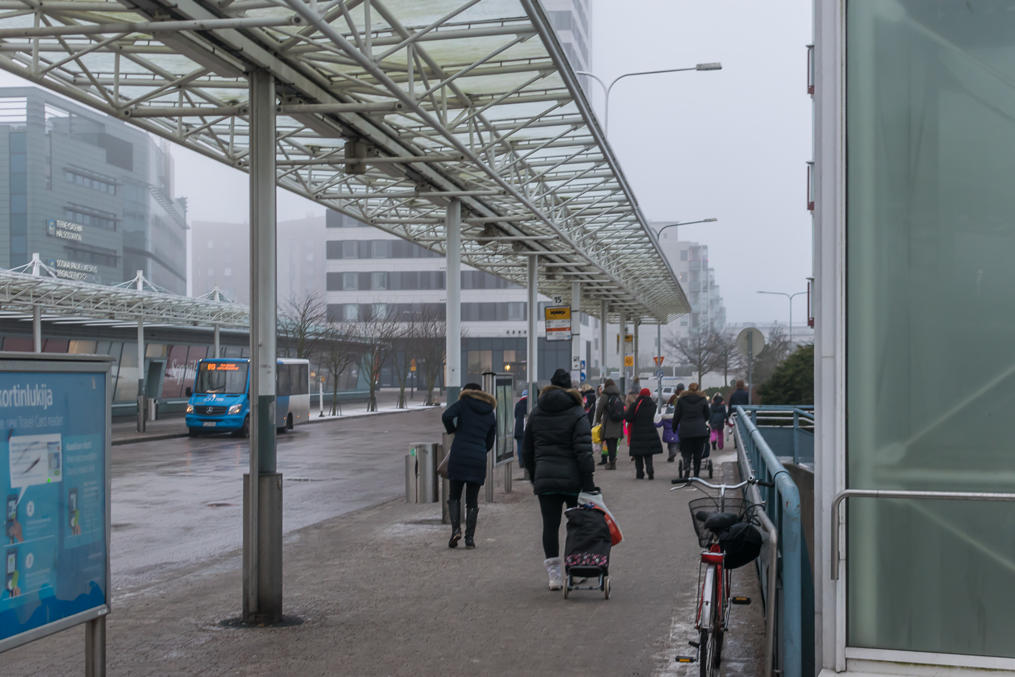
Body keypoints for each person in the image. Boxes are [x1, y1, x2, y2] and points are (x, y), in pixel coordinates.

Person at [522, 368, 595, 591]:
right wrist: (588, 481)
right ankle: (574, 571)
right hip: (573, 481)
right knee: (576, 525)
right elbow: (584, 450)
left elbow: (527, 450)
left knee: (550, 526)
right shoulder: (577, 412)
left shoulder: (536, 411)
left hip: (545, 478)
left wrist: (536, 477)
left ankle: (554, 576)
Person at [441, 383, 497, 549]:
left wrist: (454, 431)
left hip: (459, 455)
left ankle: (455, 530)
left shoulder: (463, 404)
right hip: (477, 458)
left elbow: (446, 416)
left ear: (466, 392)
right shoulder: (489, 411)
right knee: (472, 500)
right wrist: (481, 448)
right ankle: (470, 538)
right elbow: (490, 441)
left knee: (455, 496)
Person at [670, 382, 711, 482]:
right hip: (700, 431)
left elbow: (677, 416)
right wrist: (701, 421)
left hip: (685, 430)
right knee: (697, 453)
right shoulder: (702, 399)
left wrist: (674, 428)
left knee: (686, 452)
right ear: (698, 389)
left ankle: (687, 470)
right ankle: (696, 475)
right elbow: (708, 414)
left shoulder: (681, 400)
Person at [625, 387, 662, 479]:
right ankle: (650, 470)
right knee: (648, 454)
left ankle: (640, 473)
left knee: (638, 455)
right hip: (650, 430)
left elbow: (628, 418)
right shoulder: (653, 405)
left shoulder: (635, 404)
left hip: (637, 431)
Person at [593, 379, 624, 469]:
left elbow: (599, 408)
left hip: (609, 422)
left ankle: (612, 463)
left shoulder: (605, 395)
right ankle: (612, 460)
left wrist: (598, 420)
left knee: (610, 442)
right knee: (614, 442)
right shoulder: (618, 395)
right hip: (618, 422)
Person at [656, 393, 680, 462]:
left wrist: (653, 424)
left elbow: (659, 424)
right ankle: (673, 453)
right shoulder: (678, 415)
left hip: (667, 433)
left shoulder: (665, 417)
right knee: (674, 444)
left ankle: (671, 456)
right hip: (675, 432)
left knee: (670, 445)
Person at [513, 390, 528, 466]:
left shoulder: (518, 404)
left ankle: (521, 462)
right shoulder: (531, 403)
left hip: (519, 428)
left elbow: (515, 415)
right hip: (528, 428)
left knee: (520, 445)